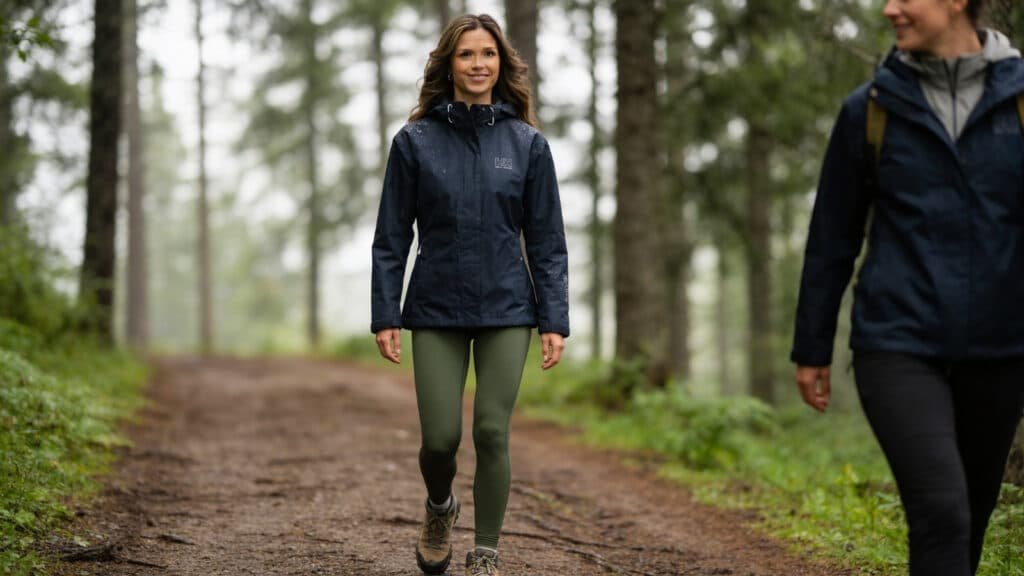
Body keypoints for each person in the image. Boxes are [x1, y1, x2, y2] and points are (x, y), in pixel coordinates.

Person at [791, 0, 1024, 574]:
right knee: (941, 511)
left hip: (1001, 347)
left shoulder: (1020, 101)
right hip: (897, 343)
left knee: (971, 516)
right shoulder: (871, 109)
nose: (889, 8)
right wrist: (812, 348)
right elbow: (832, 236)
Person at [370, 13, 569, 576]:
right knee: (440, 439)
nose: (478, 64)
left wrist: (554, 319)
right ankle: (440, 506)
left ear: (501, 63)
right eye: (466, 54)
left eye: (488, 53)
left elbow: (548, 241)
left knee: (491, 430)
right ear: (449, 65)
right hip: (436, 306)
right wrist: (385, 313)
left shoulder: (528, 144)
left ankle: (485, 553)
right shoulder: (415, 141)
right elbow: (391, 237)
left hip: (508, 307)